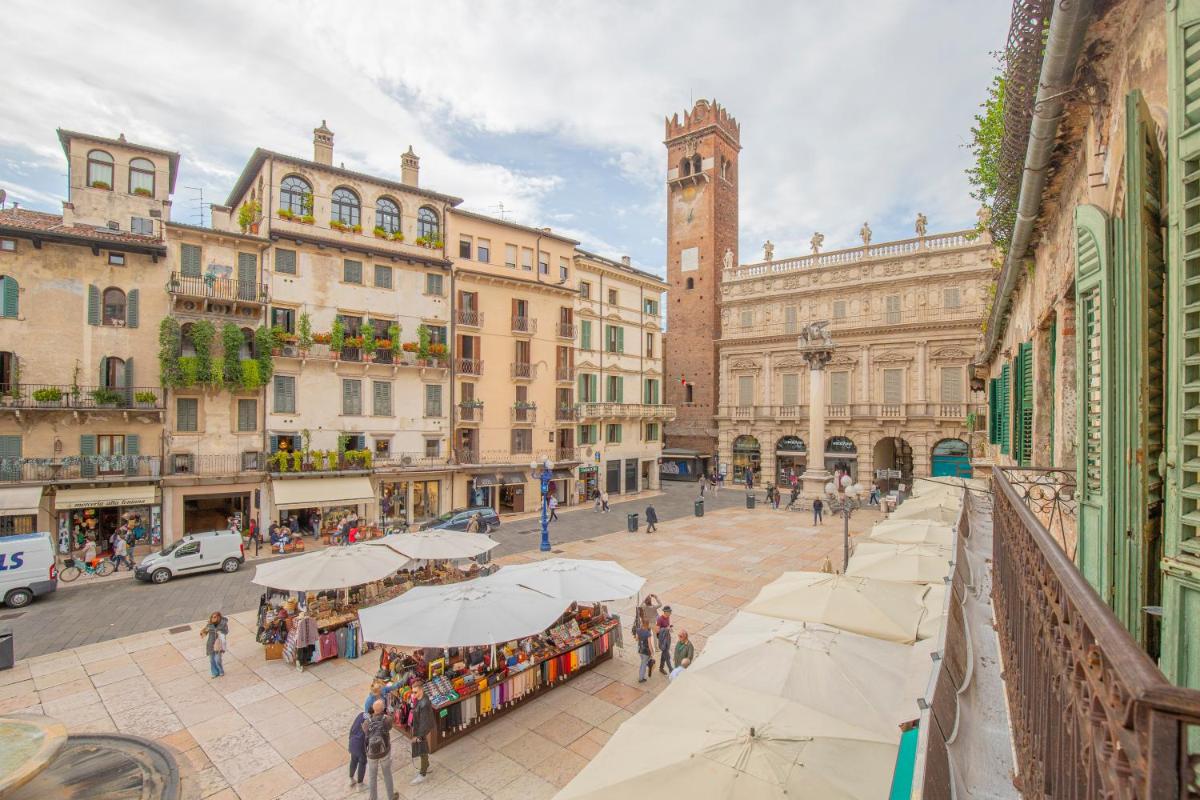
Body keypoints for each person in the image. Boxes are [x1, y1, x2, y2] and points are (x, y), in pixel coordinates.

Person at [363, 699, 398, 799]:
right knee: (387, 774)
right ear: (383, 709)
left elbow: (366, 732)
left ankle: (373, 798)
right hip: (384, 751)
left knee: (372, 777)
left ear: (373, 709)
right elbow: (390, 726)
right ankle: (391, 797)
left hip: (372, 753)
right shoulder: (387, 719)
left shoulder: (367, 722)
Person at [409, 682, 435, 785]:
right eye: (412, 692)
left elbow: (424, 722)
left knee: (422, 750)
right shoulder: (420, 699)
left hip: (422, 730)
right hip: (420, 727)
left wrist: (418, 736)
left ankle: (422, 773)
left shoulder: (424, 704)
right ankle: (426, 765)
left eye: (415, 692)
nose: (413, 694)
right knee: (422, 749)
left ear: (421, 690)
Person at [201, 612, 228, 678]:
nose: (213, 618)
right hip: (210, 644)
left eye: (215, 617)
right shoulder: (209, 624)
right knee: (212, 660)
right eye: (212, 617)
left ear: (219, 617)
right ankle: (215, 673)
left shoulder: (223, 624)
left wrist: (220, 632)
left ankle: (221, 671)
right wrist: (203, 632)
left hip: (218, 644)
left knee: (218, 659)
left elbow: (226, 632)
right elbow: (204, 633)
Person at [347, 709, 368, 789]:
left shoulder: (361, 714)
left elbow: (352, 727)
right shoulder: (369, 721)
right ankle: (360, 784)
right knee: (362, 763)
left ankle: (351, 779)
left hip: (352, 742)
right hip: (360, 745)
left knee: (353, 760)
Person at [656, 607, 673, 674]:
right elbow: (657, 630)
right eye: (669, 612)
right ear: (665, 612)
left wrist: (670, 628)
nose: (670, 613)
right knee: (667, 655)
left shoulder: (668, 617)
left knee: (664, 654)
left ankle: (661, 668)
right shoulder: (660, 619)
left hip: (667, 638)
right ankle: (671, 669)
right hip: (663, 640)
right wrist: (666, 629)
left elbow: (667, 626)